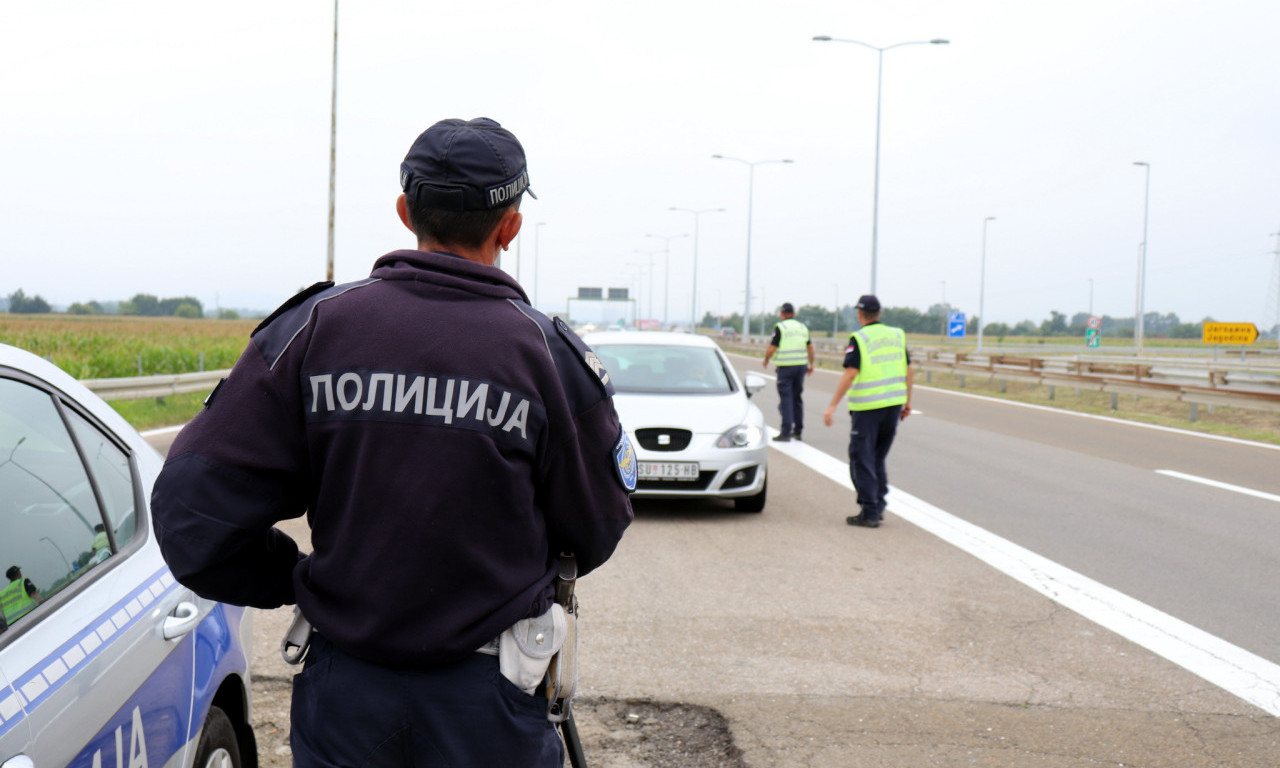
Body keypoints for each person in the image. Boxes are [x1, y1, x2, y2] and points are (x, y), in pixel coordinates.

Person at [151, 117, 635, 767]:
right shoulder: (547, 353)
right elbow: (598, 524)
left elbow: (192, 514)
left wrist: (297, 578)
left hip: (346, 699)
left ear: (406, 212)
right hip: (491, 705)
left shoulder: (312, 329)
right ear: (510, 226)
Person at [822, 295, 913, 528]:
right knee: (877, 457)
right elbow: (908, 370)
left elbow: (850, 373)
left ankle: (870, 511)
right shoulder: (896, 335)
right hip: (893, 405)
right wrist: (907, 402)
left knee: (861, 458)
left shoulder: (859, 338)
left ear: (860, 314)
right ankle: (879, 504)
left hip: (868, 408)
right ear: (879, 313)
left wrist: (832, 405)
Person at [761, 302, 814, 441]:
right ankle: (798, 431)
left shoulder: (781, 327)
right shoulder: (803, 327)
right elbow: (810, 348)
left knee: (786, 399)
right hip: (801, 367)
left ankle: (785, 432)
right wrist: (812, 364)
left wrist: (766, 359)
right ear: (794, 313)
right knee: (797, 398)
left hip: (785, 368)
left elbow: (772, 348)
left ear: (782, 313)